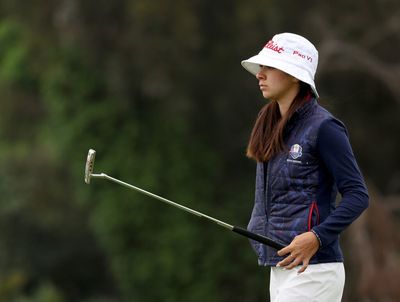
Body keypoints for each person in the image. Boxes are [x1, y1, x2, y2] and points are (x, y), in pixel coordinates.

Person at [241, 33, 369, 301]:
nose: (259, 75)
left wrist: (316, 237)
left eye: (269, 67)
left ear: (294, 75)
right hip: (280, 268)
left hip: (315, 270)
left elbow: (358, 195)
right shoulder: (269, 124)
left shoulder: (325, 128)